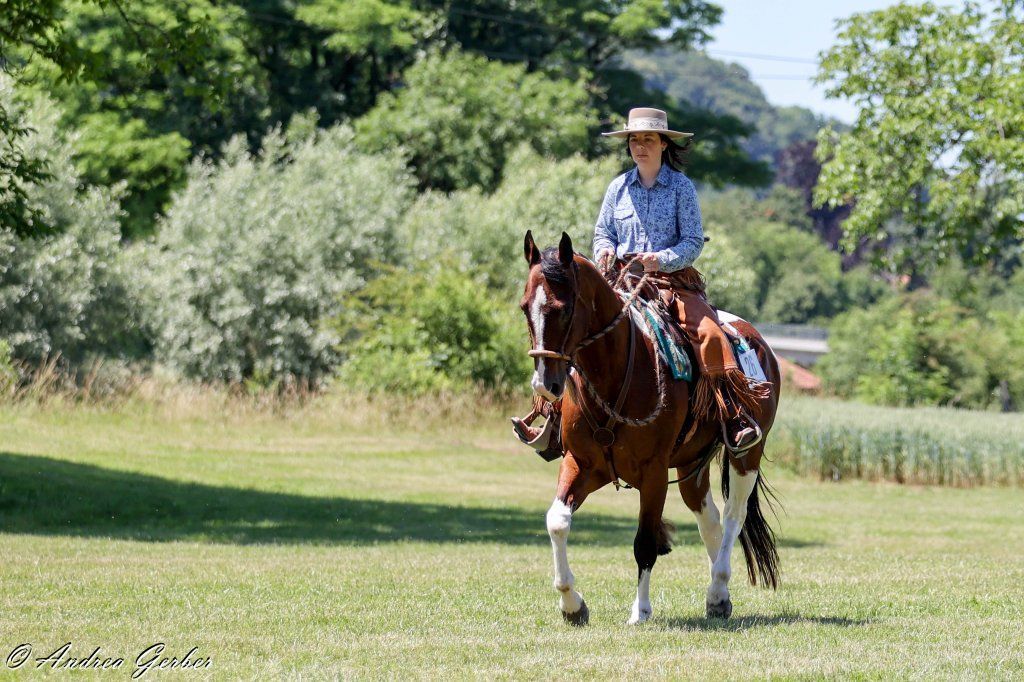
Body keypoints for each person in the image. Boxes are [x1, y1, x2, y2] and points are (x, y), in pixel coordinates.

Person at [595, 107, 764, 451]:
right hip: (620, 280)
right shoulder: (617, 188)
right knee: (575, 324)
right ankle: (553, 414)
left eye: (648, 139)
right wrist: (604, 252)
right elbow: (602, 233)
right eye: (634, 139)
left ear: (663, 144)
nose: (640, 146)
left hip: (670, 282)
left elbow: (692, 241)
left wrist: (660, 260)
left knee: (711, 333)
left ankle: (732, 414)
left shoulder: (681, 187)